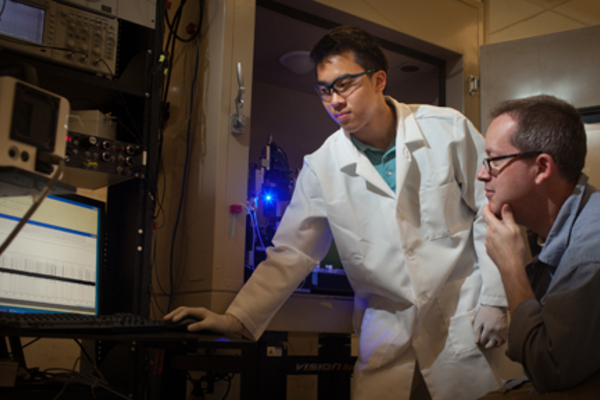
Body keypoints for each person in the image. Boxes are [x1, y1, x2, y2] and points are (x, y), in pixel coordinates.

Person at [165, 26, 519, 400]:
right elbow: (292, 253)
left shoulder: (447, 130)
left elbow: (492, 212)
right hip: (389, 340)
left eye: (344, 84)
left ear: (379, 79)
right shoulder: (322, 166)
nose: (334, 100)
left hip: (466, 322)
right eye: (323, 90)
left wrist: (497, 298)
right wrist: (235, 319)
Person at [476, 95, 600, 398]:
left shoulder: (589, 255)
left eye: (494, 161)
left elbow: (549, 370)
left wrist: (510, 268)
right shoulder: (557, 227)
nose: (482, 174)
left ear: (542, 167)